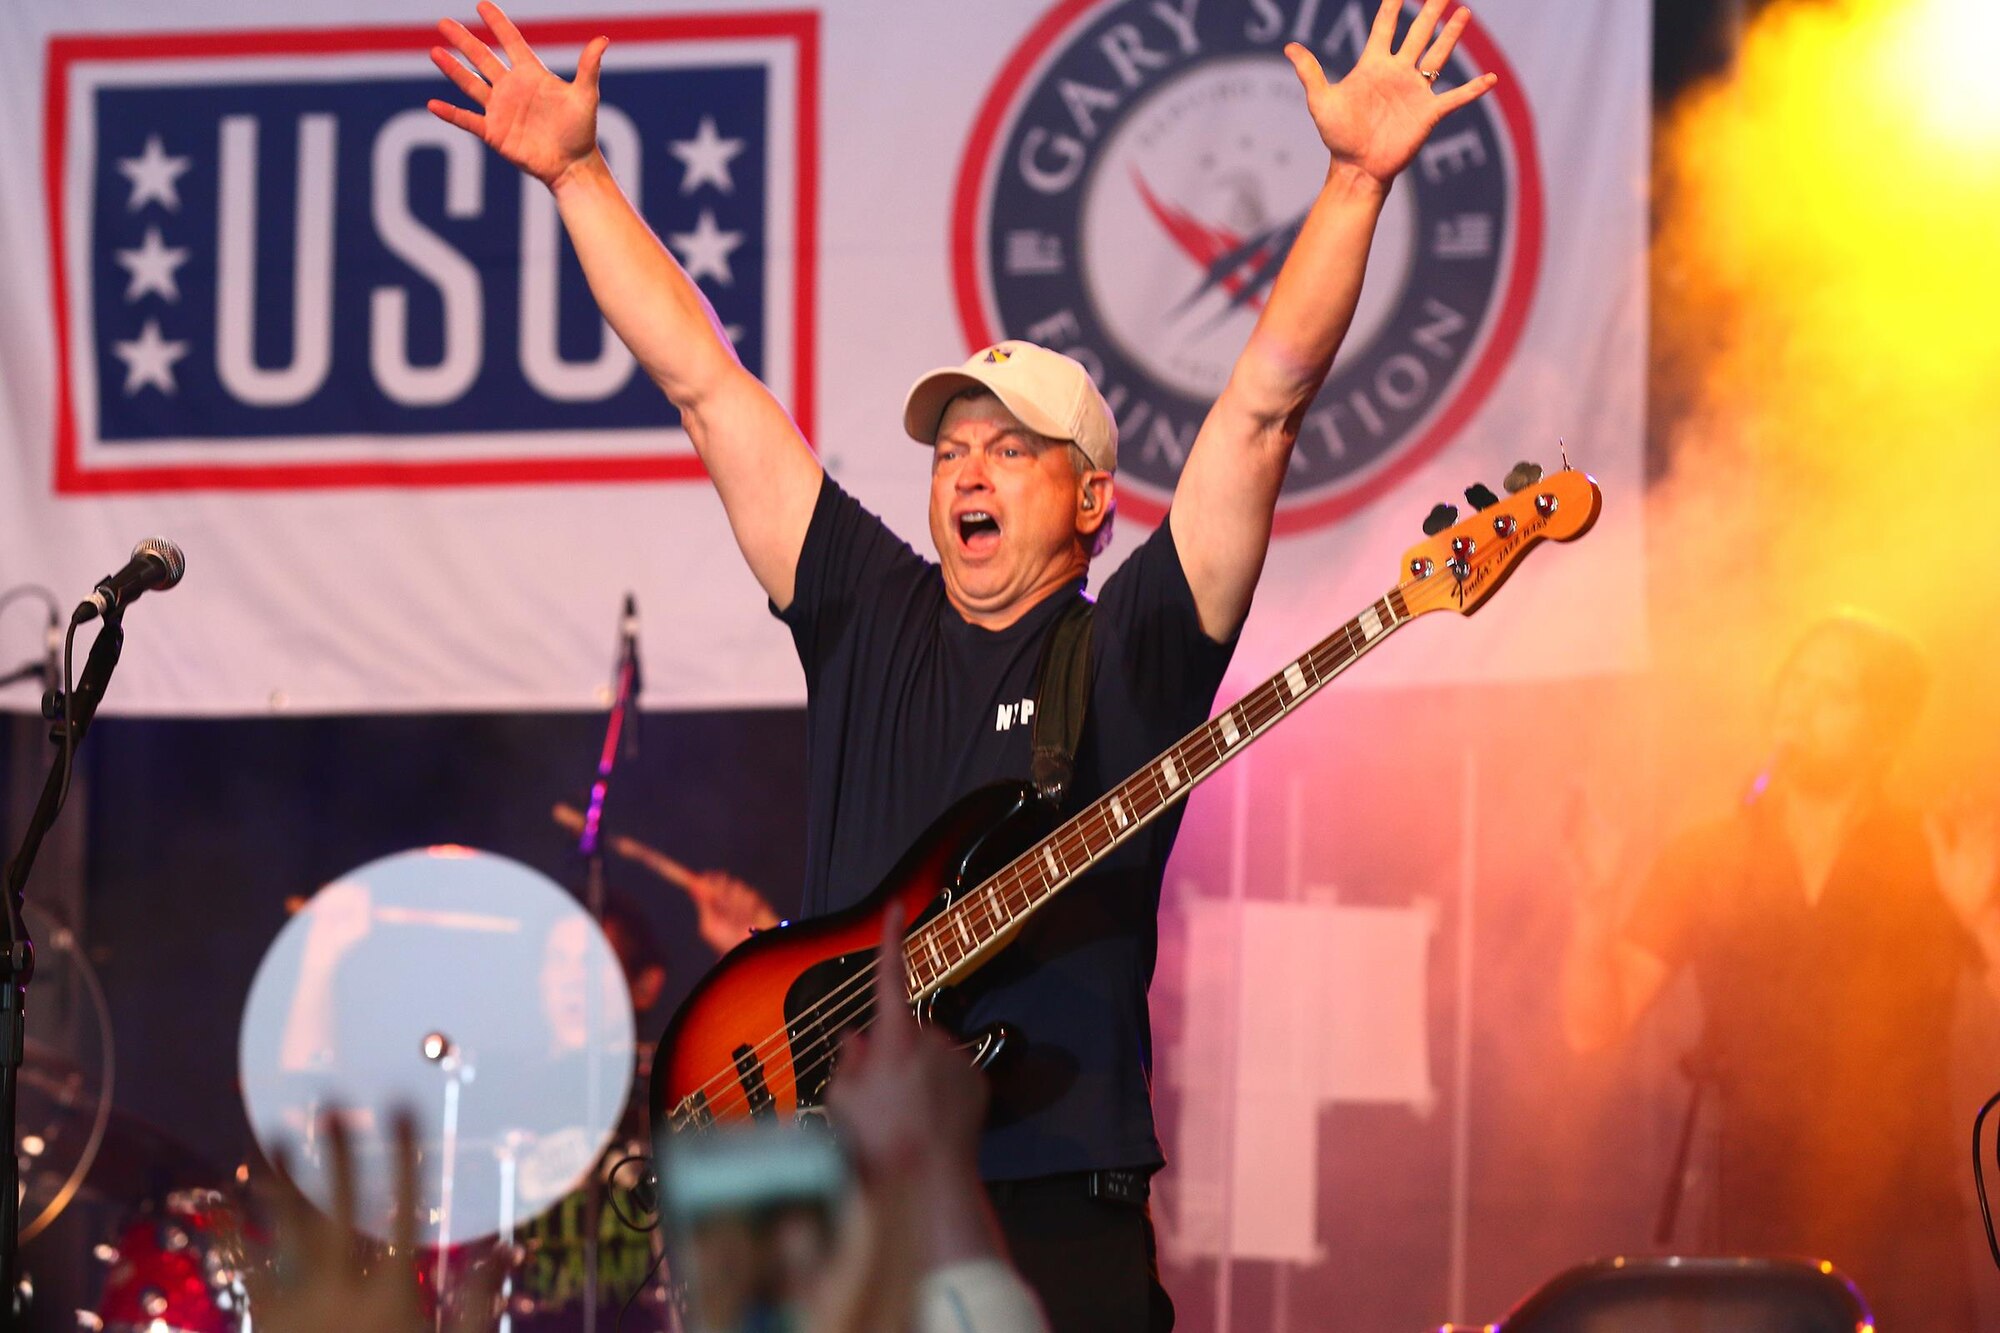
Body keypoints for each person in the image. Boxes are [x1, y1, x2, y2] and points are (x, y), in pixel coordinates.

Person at [427, 2, 1496, 1325]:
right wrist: (580, 179)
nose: (968, 472)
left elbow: (1263, 407)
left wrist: (1351, 183)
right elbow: (706, 383)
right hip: (826, 1184)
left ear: (1094, 497)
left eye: (1010, 447)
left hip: (1045, 1189)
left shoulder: (1136, 643)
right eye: (949, 451)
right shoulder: (870, 607)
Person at [1560, 613, 2000, 1328]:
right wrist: (1593, 906)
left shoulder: (1936, 854)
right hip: (1751, 1222)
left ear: (1885, 727)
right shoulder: (1707, 855)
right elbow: (1593, 1026)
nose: (1799, 703)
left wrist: (1982, 914)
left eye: (1833, 690)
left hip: (1907, 1226)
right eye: (1794, 681)